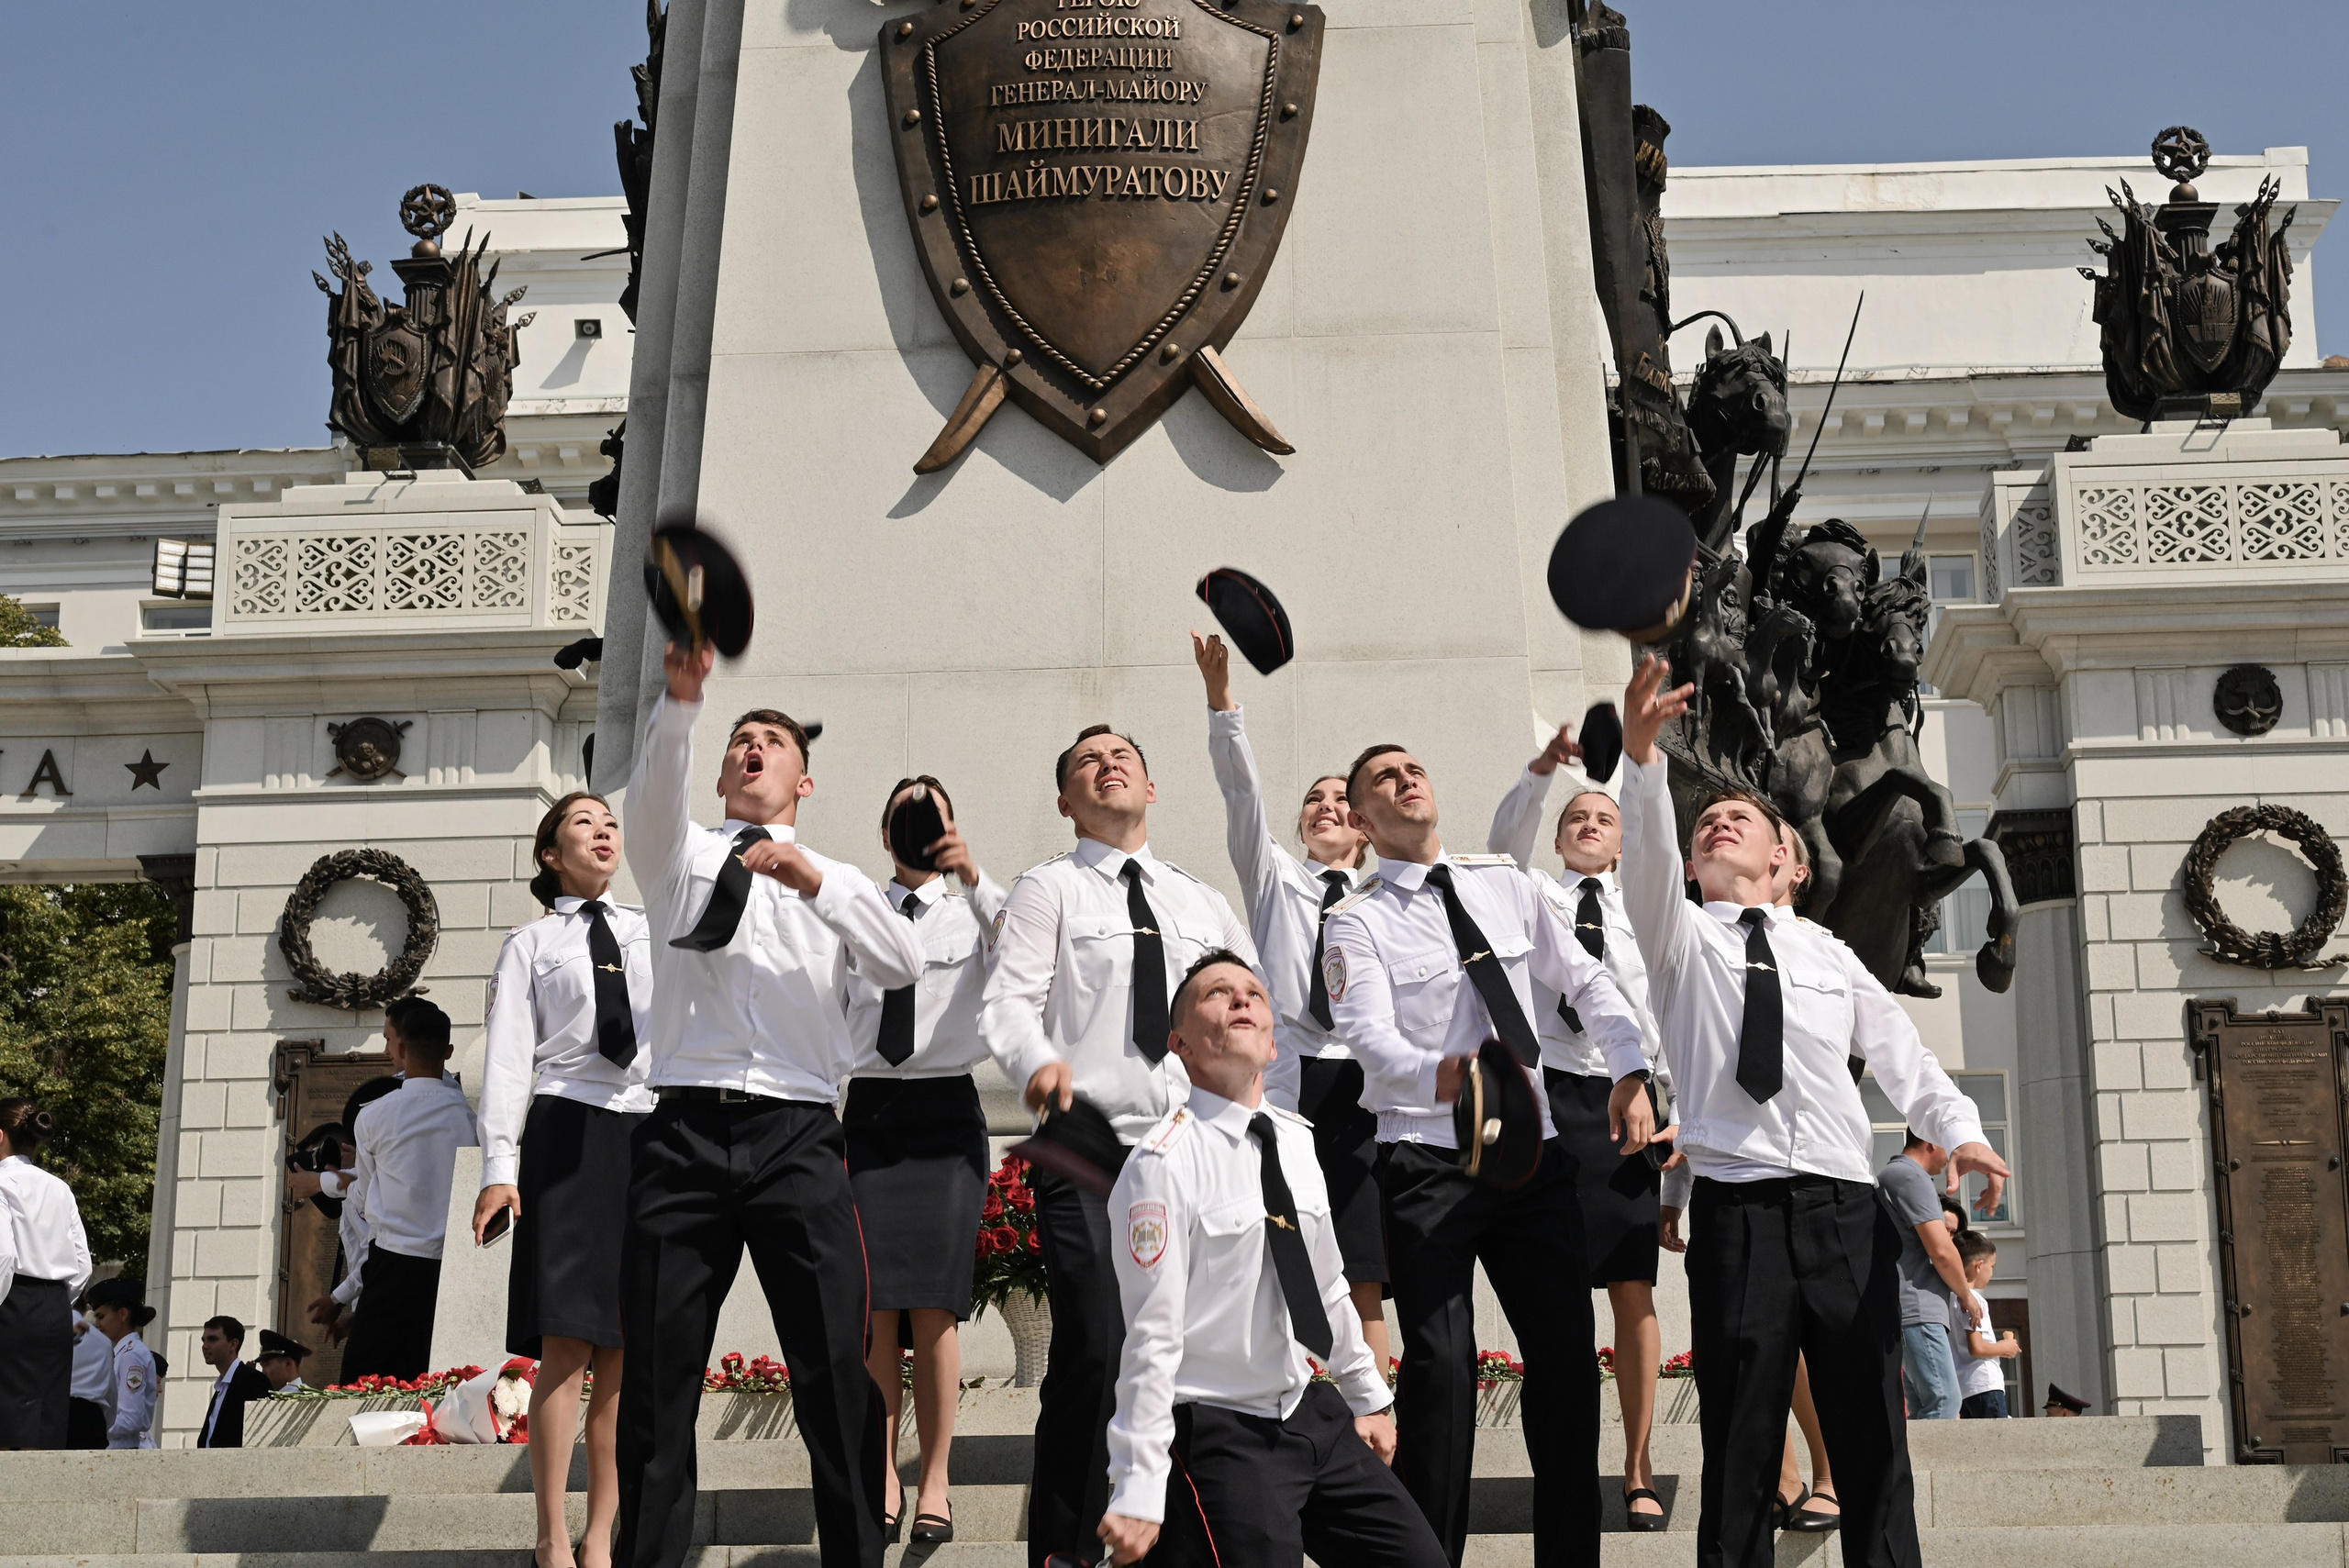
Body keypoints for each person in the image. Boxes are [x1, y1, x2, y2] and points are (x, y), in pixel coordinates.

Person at [1616, 654, 2009, 1568]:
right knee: (1742, 1439)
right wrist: (1640, 761)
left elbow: (1902, 1054)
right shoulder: (1678, 940)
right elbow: (1643, 861)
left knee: (1872, 1431)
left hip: (1842, 1211)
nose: (1716, 822)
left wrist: (1964, 1132)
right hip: (1739, 1212)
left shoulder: (1830, 954)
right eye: (1704, 821)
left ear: (1787, 860)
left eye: (1739, 818)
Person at [616, 640, 925, 1568]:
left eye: (773, 742)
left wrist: (815, 881)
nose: (754, 749)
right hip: (681, 1132)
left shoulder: (838, 878)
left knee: (835, 1368)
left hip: (796, 1131)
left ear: (804, 778)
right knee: (660, 1385)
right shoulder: (674, 859)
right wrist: (680, 704)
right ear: (722, 768)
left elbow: (901, 962)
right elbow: (653, 797)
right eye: (741, 740)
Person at [1321, 742, 1652, 1568]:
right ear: (1361, 821)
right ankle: (1429, 1557)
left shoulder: (1504, 881)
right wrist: (1450, 1076)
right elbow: (1367, 1037)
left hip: (1532, 1158)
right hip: (1430, 1157)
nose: (1407, 779)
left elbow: (1587, 980)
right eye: (1383, 779)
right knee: (1439, 1368)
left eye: (1414, 768)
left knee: (1569, 1365)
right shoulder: (1353, 920)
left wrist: (1631, 1067)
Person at [979, 721, 1260, 1568]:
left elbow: (1250, 1013)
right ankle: (1066, 1552)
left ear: (1150, 787)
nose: (1109, 767)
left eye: (1123, 758)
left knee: (1198, 1359)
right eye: (1087, 764)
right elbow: (1009, 1003)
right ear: (1067, 802)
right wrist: (1039, 1067)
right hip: (1092, 1146)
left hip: (1195, 1151)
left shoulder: (1199, 898)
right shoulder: (1048, 890)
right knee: (1098, 1346)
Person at [1097, 952, 1445, 1568]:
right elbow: (1149, 1336)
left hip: (1309, 1409)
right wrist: (1139, 1485)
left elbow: (1325, 1283)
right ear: (1180, 1043)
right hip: (1221, 1431)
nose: (1241, 1000)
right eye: (1218, 993)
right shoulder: (1161, 1163)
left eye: (1254, 993)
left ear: (1274, 1042)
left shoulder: (1295, 1137)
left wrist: (1369, 1396)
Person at [1487, 727, 1672, 1528]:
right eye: (1576, 817)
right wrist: (1539, 775)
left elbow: (1675, 1022)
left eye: (1604, 816)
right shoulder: (1532, 893)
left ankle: (1637, 1466)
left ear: (1625, 839)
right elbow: (1501, 844)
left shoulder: (1653, 915)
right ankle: (1571, 1461)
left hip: (1626, 1098)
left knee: (1632, 1283)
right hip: (1549, 1097)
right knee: (1558, 1293)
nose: (1590, 823)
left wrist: (1678, 1115)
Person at [1192, 633, 1388, 1369]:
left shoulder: (1385, 898)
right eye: (1314, 800)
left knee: (1362, 1273)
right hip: (1293, 1079)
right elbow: (1243, 795)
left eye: (1342, 800)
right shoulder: (1277, 878)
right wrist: (1223, 706)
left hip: (1367, 1087)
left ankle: (1374, 1427)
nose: (1325, 808)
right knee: (1285, 1255)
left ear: (1366, 828)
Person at [473, 791, 655, 1568]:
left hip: (648, 1134)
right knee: (568, 1344)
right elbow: (509, 1061)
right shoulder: (531, 943)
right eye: (583, 823)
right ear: (551, 853)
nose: (603, 830)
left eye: (610, 822)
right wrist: (498, 1169)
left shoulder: (658, 932)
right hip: (568, 1126)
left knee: (624, 1350)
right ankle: (551, 1534)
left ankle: (601, 1534)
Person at [1657, 828, 1841, 1535]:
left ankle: (1828, 1470)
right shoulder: (1695, 942)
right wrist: (1675, 1193)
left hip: (1809, 1175)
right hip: (1724, 1176)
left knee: (1796, 1337)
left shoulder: (1817, 954)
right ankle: (1782, 1475)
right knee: (1744, 1342)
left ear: (1792, 870)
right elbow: (1687, 1070)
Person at [842, 775, 1007, 1545]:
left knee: (935, 1307)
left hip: (944, 1112)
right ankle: (880, 1470)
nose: (920, 826)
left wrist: (971, 875)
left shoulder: (975, 911)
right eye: (906, 814)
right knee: (876, 1306)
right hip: (870, 1110)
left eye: (934, 813)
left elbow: (1021, 950)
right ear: (884, 834)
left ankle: (935, 1475)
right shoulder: (853, 909)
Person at [324, 997, 479, 1382]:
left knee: (367, 1384)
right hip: (454, 1267)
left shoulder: (373, 1115)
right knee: (447, 1379)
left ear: (401, 1048)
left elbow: (363, 1196)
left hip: (393, 1265)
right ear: (448, 1051)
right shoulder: (472, 1119)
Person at [0, 1099, 91, 1450]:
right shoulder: (59, 1187)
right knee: (45, 1418)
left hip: (12, 1302)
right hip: (54, 1305)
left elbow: (4, 1254)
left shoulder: (3, 1182)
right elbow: (82, 1262)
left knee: (7, 1419)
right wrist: (56, 1302)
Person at [1880, 1131, 1981, 1423]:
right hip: (1917, 1308)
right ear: (1930, 1144)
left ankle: (1911, 1470)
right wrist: (1966, 1295)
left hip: (1909, 1307)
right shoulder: (1911, 1176)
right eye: (1948, 1148)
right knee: (1945, 1401)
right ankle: (1923, 1471)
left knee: (1925, 1405)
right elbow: (1941, 1249)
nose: (1951, 1157)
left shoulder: (1896, 1174)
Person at [86, 1277, 160, 1450]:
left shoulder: (132, 1354)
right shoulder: (122, 1352)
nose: (98, 1324)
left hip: (121, 1451)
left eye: (101, 1316)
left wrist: (91, 1429)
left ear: (123, 1314)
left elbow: (130, 1418)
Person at [1951, 1233, 2019, 1418]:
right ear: (1979, 1266)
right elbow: (1977, 1347)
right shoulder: (1973, 1300)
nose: (1993, 1273)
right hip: (1984, 1383)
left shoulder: (1949, 1298)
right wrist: (2006, 1346)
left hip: (1963, 1388)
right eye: (1992, 1267)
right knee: (1998, 1443)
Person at [195, 1315, 273, 1448]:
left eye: (212, 1339)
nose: (205, 1346)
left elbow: (258, 1437)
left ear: (233, 1344)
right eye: (203, 1340)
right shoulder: (222, 1386)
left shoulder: (252, 1380)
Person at [69, 1286, 117, 1447]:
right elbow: (111, 1394)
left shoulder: (42, 1333)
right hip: (91, 1419)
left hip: (51, 1417)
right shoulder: (104, 1342)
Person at [255, 1329, 312, 1394]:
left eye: (266, 1364)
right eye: (262, 1366)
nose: (263, 1372)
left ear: (288, 1363)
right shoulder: (268, 1396)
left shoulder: (306, 1398)